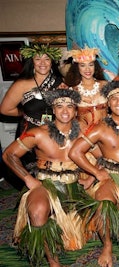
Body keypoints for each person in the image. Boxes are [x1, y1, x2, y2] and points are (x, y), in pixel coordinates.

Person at [68, 80, 119, 267]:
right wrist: (96, 172)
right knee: (104, 204)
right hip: (111, 176)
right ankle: (107, 247)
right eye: (114, 98)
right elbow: (75, 152)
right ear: (108, 104)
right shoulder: (101, 128)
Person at [2, 89, 85, 267]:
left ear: (76, 111)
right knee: (38, 211)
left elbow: (103, 154)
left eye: (70, 106)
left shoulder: (84, 132)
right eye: (59, 106)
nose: (64, 111)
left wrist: (91, 177)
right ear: (53, 110)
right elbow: (9, 154)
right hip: (46, 184)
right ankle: (53, 262)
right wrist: (27, 179)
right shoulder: (38, 133)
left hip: (73, 185)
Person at [0, 43, 65, 179]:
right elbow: (5, 109)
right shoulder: (22, 84)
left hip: (55, 131)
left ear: (52, 61)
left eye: (47, 59)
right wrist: (25, 114)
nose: (42, 63)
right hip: (30, 130)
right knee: (33, 169)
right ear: (32, 61)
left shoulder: (61, 82)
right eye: (38, 59)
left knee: (55, 167)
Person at [64, 46, 108, 131]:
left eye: (91, 65)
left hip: (105, 133)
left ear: (95, 67)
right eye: (83, 65)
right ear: (77, 68)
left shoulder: (105, 85)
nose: (87, 69)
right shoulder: (72, 90)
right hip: (83, 134)